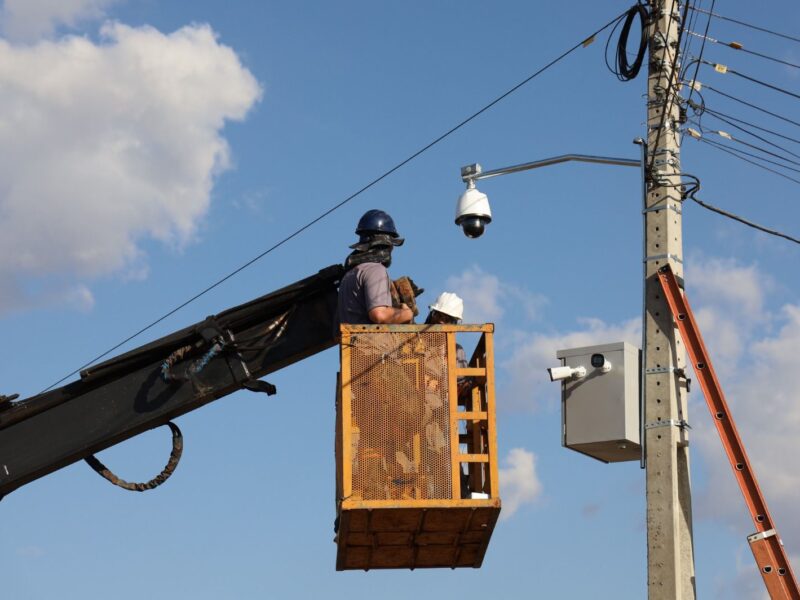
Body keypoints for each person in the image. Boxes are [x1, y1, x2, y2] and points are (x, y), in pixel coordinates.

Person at [336, 209, 413, 326]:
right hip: (371, 343)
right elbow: (379, 314)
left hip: (352, 343)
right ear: (386, 244)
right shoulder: (375, 270)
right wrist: (406, 313)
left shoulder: (349, 275)